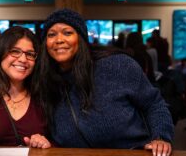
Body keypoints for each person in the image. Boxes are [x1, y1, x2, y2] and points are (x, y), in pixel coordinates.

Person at [33, 8, 174, 155]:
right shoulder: (46, 81)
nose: (59, 40)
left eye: (68, 32)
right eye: (51, 34)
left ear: (81, 38)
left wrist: (161, 137)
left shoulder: (117, 65)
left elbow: (154, 104)